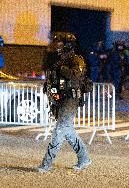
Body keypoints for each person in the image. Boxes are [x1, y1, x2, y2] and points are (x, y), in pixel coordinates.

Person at [38, 32, 91, 173]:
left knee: (60, 130)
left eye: (60, 43)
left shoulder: (76, 60)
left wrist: (61, 69)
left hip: (71, 99)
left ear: (67, 45)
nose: (57, 46)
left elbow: (76, 74)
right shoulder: (60, 60)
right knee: (68, 131)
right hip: (61, 100)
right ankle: (84, 158)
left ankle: (46, 164)